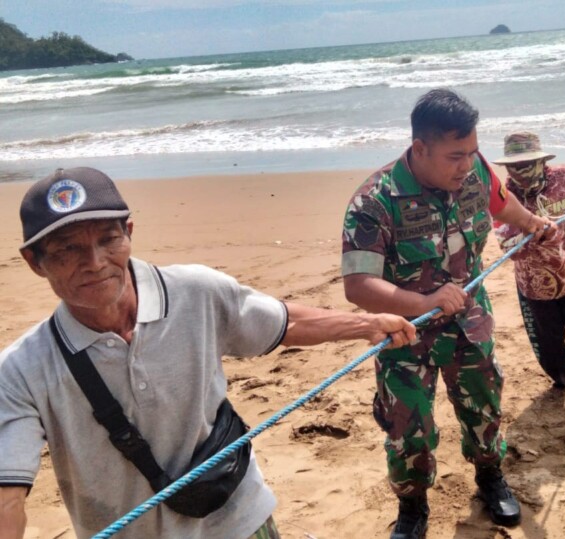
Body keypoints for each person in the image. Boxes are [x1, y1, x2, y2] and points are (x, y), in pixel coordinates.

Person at [0, 167, 416, 539]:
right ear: (34, 262)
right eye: (67, 249)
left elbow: (283, 323)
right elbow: (8, 498)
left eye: (108, 239)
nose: (94, 262)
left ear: (129, 232)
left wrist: (366, 325)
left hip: (239, 519)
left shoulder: (195, 291)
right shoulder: (20, 370)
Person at [341, 89, 556, 538]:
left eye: (472, 153)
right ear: (420, 148)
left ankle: (489, 475)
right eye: (455, 156)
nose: (466, 165)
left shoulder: (474, 168)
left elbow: (500, 202)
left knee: (484, 406)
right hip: (405, 334)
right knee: (408, 424)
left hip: (469, 323)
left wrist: (530, 223)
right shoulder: (375, 201)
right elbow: (359, 286)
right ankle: (413, 506)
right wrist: (422, 303)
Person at [492, 131, 565, 389]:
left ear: (541, 161)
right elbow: (510, 248)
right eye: (515, 166)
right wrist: (536, 236)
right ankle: (561, 373)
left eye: (527, 164)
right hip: (536, 284)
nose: (521, 171)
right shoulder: (503, 200)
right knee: (548, 338)